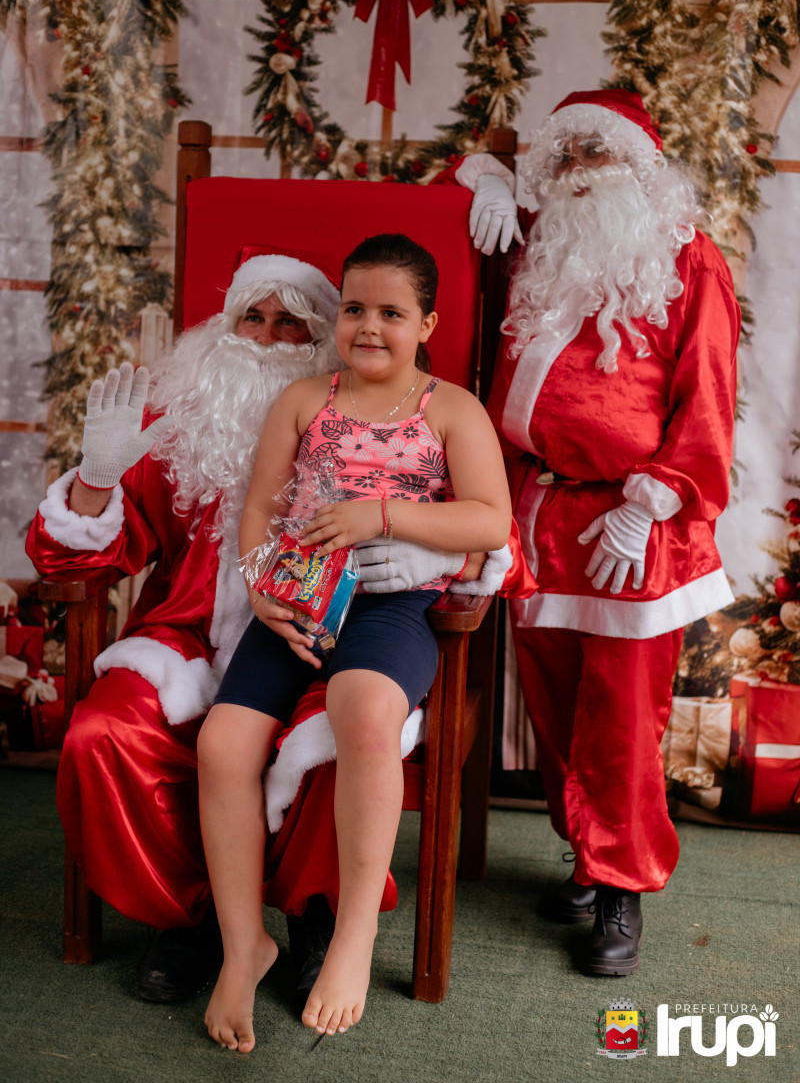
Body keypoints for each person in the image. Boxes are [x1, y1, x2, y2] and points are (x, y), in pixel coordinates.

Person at [26, 253, 466, 1002]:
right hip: (187, 640)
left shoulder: (378, 418)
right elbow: (75, 561)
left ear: (325, 335)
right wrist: (96, 482)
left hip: (325, 635)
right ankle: (191, 917)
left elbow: (484, 524)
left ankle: (317, 916)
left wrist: (429, 547)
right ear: (223, 327)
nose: (266, 337)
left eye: (291, 321)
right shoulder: (181, 422)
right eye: (251, 318)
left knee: (341, 732)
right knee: (105, 732)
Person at [197, 232, 514, 1052]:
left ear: (427, 324)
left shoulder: (451, 409)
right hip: (302, 596)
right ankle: (244, 945)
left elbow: (490, 519)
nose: (369, 326)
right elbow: (260, 508)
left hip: (391, 601)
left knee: (366, 710)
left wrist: (384, 514)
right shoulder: (304, 400)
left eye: (392, 313)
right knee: (224, 742)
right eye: (354, 309)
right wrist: (260, 587)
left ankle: (354, 933)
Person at [448, 89, 740, 975]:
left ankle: (621, 887)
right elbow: (424, 223)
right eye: (564, 156)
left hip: (636, 525)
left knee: (620, 724)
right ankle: (587, 853)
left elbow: (710, 397)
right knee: (555, 710)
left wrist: (654, 501)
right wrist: (482, 176)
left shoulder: (688, 257)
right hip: (540, 516)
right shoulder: (535, 244)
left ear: (640, 166)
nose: (579, 171)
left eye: (597, 152)